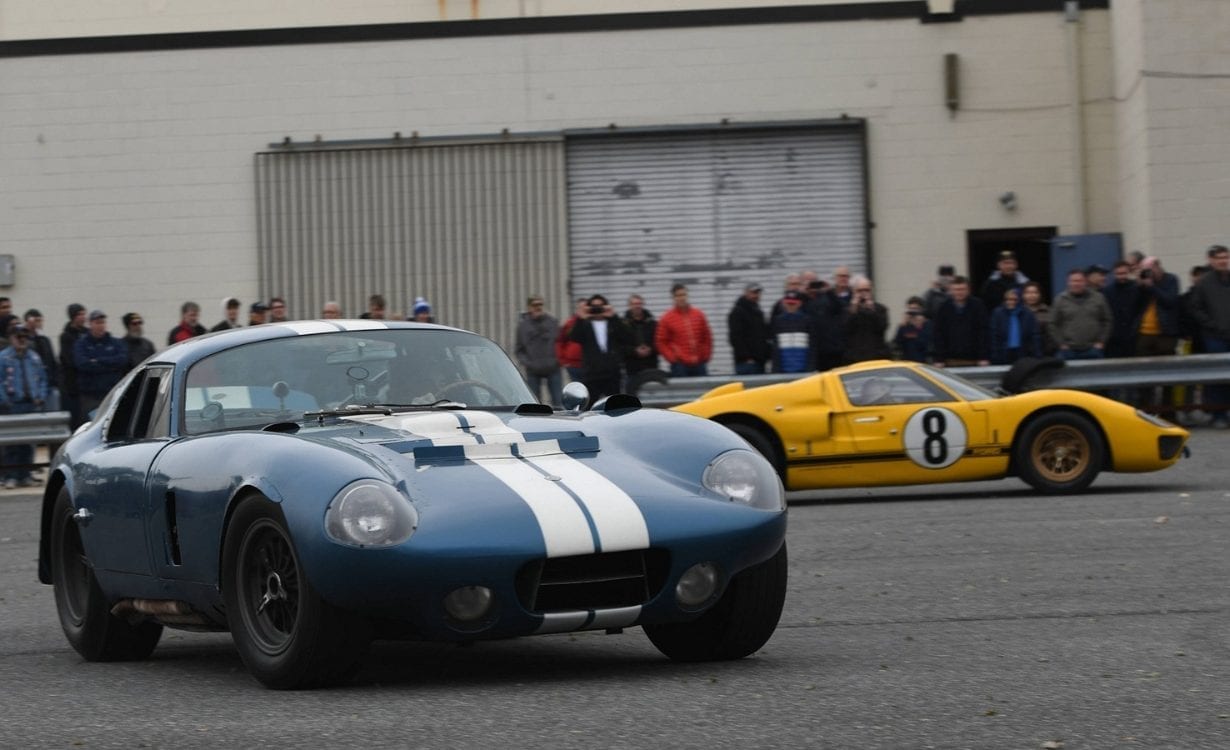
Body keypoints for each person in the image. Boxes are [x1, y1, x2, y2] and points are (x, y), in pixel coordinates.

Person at [0, 324, 50, 488]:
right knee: (12, 444)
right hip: (12, 405)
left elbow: (43, 379)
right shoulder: (4, 358)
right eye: (18, 337)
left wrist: (40, 397)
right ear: (11, 338)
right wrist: (5, 399)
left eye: (24, 337)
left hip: (31, 404)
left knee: (29, 443)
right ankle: (11, 476)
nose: (22, 340)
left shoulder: (33, 357)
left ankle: (26, 474)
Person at [1189, 244, 1230, 428]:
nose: (1223, 261)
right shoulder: (1204, 283)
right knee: (1217, 379)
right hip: (1215, 338)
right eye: (1219, 257)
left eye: (1226, 257)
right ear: (1211, 260)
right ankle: (1219, 415)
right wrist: (1212, 326)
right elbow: (1196, 309)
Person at [1133, 256, 1181, 411]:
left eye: (1149, 269)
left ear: (1157, 267)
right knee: (1144, 377)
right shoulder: (1144, 283)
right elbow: (1135, 304)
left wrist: (1152, 286)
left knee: (1167, 377)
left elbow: (1170, 301)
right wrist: (1140, 286)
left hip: (1165, 334)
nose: (1148, 273)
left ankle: (1168, 413)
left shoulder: (1171, 280)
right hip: (1145, 334)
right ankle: (1147, 411)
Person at [569, 294, 632, 404]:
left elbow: (627, 337)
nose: (597, 309)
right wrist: (581, 318)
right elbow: (574, 337)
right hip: (591, 374)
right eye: (594, 307)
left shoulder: (613, 323)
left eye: (600, 306)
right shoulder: (585, 324)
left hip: (612, 373)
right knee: (590, 405)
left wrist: (613, 316)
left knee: (615, 405)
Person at [74, 311, 128, 419]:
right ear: (90, 324)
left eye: (103, 322)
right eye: (97, 323)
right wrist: (109, 364)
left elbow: (122, 360)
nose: (101, 326)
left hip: (112, 392)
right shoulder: (82, 344)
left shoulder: (115, 343)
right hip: (91, 395)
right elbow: (83, 364)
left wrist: (97, 361)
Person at [1051, 268, 1112, 361]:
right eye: (1073, 281)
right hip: (1068, 351)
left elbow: (1107, 320)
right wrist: (1061, 344)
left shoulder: (1098, 298)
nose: (1076, 284)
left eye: (1080, 281)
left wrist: (1101, 342)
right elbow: (1052, 324)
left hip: (1093, 350)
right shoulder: (1060, 299)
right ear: (1068, 282)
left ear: (1085, 282)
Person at [514, 295, 562, 407]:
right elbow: (519, 349)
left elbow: (560, 342)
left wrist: (558, 360)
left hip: (553, 368)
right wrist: (528, 363)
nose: (538, 307)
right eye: (535, 305)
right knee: (534, 403)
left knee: (558, 402)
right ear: (529, 307)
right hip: (533, 370)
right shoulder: (523, 326)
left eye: (540, 304)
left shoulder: (552, 322)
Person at [655, 283, 712, 377]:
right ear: (673, 298)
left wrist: (705, 355)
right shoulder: (666, 318)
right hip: (680, 366)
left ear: (687, 295)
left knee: (703, 390)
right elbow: (661, 341)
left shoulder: (699, 314)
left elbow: (707, 336)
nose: (681, 298)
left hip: (700, 363)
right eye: (678, 295)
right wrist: (673, 359)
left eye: (684, 294)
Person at [931, 276, 990, 366]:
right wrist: (939, 359)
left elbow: (983, 332)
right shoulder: (943, 308)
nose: (959, 292)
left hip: (974, 359)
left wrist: (983, 357)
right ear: (951, 291)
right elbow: (939, 334)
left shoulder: (978, 306)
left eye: (962, 289)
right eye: (956, 289)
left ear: (968, 290)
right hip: (950, 359)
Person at [842, 276, 890, 363]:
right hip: (855, 358)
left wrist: (872, 310)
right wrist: (853, 309)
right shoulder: (847, 310)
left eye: (867, 290)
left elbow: (883, 327)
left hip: (877, 356)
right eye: (860, 291)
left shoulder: (880, 309)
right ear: (854, 292)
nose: (863, 293)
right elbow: (844, 329)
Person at [989, 289, 1042, 365]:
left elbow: (1034, 335)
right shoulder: (998, 314)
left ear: (1019, 300)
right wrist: (994, 355)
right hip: (1003, 354)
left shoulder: (1027, 314)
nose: (1011, 302)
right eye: (1008, 299)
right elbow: (994, 336)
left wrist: (1037, 355)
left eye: (1014, 299)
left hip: (1023, 353)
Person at [728, 282, 771, 375]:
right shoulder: (738, 312)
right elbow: (735, 338)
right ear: (746, 293)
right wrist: (746, 358)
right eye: (753, 292)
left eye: (758, 293)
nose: (756, 295)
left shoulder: (758, 312)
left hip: (759, 362)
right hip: (746, 364)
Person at [1102, 261, 1141, 358]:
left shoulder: (1137, 289)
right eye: (1118, 274)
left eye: (1124, 273)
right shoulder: (1107, 291)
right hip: (1113, 339)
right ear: (1114, 274)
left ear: (1129, 273)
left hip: (1133, 337)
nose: (1121, 276)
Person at [59, 303, 88, 429]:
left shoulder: (88, 333)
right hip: (73, 386)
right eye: (79, 314)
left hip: (87, 385)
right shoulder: (66, 336)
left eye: (83, 314)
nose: (83, 317)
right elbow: (70, 360)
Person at [771, 290, 813, 373]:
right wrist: (776, 369)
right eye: (788, 303)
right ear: (784, 303)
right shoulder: (777, 321)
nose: (791, 306)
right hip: (783, 368)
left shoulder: (807, 320)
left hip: (803, 368)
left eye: (793, 304)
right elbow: (775, 347)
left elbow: (812, 346)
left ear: (799, 304)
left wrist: (810, 367)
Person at [23, 309, 58, 408]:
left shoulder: (44, 340)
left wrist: (55, 381)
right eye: (36, 321)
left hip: (49, 384)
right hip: (33, 386)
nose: (39, 324)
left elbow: (52, 361)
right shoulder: (24, 341)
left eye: (40, 321)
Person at [623, 294, 659, 381]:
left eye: (639, 303)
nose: (637, 306)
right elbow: (620, 346)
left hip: (651, 366)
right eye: (634, 304)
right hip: (632, 368)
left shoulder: (653, 323)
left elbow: (659, 342)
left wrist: (650, 349)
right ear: (629, 306)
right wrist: (635, 351)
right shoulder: (622, 325)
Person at [555, 298, 586, 383]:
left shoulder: (592, 322)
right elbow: (560, 341)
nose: (582, 310)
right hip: (573, 365)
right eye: (580, 308)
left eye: (585, 307)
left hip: (589, 365)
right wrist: (563, 360)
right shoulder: (570, 323)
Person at [892, 296, 932, 363]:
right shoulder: (904, 325)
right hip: (907, 362)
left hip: (922, 362)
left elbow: (927, 345)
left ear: (921, 310)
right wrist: (902, 326)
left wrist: (918, 327)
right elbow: (897, 344)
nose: (912, 311)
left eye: (915, 309)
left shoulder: (927, 324)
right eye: (910, 308)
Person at [1021, 282, 1055, 355]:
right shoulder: (1019, 312)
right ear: (1023, 295)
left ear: (1040, 295)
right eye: (1028, 293)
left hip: (1045, 353)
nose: (1031, 295)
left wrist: (1050, 348)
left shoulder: (1047, 311)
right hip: (1023, 354)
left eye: (1035, 292)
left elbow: (1052, 333)